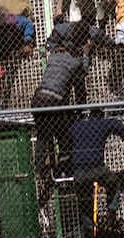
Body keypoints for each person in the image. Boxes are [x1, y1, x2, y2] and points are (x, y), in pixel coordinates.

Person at [30, 34, 88, 182]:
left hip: (38, 98)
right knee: (63, 133)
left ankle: (39, 168)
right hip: (53, 100)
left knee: (43, 133)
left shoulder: (53, 58)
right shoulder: (74, 62)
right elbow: (83, 73)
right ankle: (64, 164)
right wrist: (86, 54)